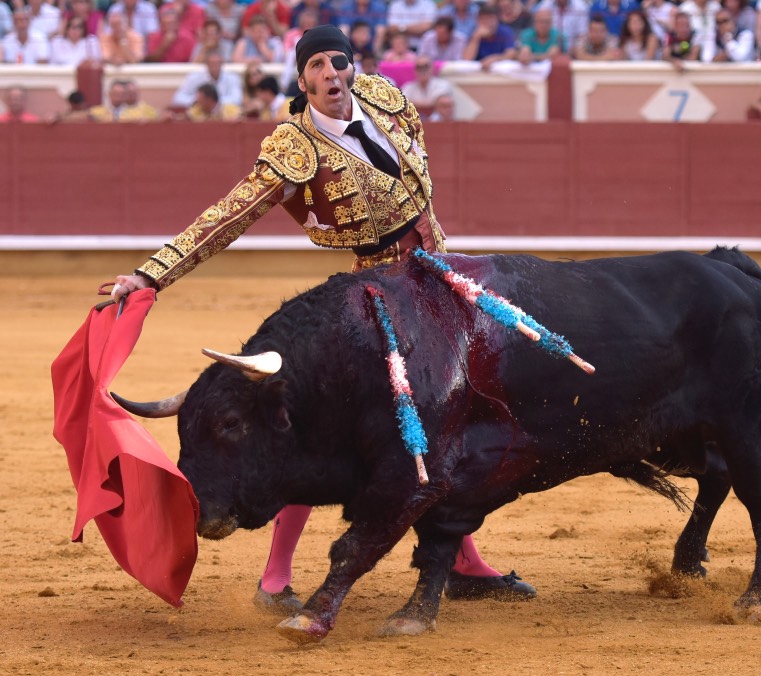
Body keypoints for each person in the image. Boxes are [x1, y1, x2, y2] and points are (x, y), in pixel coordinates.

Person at [109, 25, 537, 612]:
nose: (331, 73)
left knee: (439, 423)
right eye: (316, 66)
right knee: (325, 433)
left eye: (339, 62)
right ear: (303, 77)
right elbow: (227, 217)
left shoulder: (386, 98)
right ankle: (276, 578)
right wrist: (150, 274)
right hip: (376, 299)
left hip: (439, 279)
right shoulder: (296, 147)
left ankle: (463, 562)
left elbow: (417, 183)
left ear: (352, 66)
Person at [171, 50, 243, 109]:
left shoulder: (232, 77)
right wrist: (196, 101)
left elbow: (237, 98)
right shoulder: (194, 77)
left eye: (217, 63)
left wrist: (215, 102)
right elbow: (178, 98)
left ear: (222, 63)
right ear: (206, 64)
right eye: (212, 64)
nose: (215, 67)